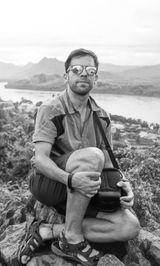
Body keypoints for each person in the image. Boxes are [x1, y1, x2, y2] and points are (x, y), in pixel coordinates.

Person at [17, 48, 140, 266]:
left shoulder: (101, 116)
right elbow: (40, 160)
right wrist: (71, 180)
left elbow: (109, 162)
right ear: (67, 76)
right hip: (50, 183)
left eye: (89, 70)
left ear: (96, 77)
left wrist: (125, 187)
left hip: (83, 189)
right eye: (76, 69)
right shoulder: (51, 109)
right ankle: (72, 241)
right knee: (92, 156)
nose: (83, 74)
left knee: (129, 226)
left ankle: (49, 230)